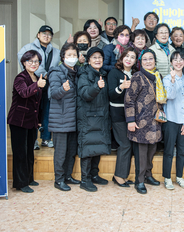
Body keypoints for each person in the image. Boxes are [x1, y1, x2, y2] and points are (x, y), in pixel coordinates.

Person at [125, 49, 165, 194]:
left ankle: (148, 175)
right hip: (140, 122)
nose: (149, 61)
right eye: (145, 59)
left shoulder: (158, 76)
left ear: (155, 61)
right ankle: (139, 180)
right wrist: (130, 120)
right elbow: (129, 100)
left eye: (151, 59)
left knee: (151, 151)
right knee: (141, 154)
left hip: (155, 122)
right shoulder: (137, 76)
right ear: (141, 62)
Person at [7, 50, 46, 193]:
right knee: (20, 152)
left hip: (31, 121)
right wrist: (37, 86)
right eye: (30, 61)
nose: (33, 64)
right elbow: (24, 93)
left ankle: (29, 178)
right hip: (18, 120)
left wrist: (39, 120)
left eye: (36, 61)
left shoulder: (37, 77)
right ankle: (20, 183)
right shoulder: (20, 78)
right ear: (24, 63)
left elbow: (38, 102)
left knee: (29, 150)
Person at [17, 25, 60, 150]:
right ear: (38, 35)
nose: (47, 36)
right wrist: (43, 74)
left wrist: (50, 76)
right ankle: (33, 140)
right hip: (33, 84)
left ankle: (46, 138)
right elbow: (25, 62)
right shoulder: (28, 48)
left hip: (49, 85)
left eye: (49, 34)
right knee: (32, 112)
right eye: (44, 34)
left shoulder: (56, 51)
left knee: (47, 111)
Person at [77, 47, 111, 192]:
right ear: (89, 60)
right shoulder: (84, 75)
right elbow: (85, 94)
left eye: (100, 57)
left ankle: (94, 175)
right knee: (88, 147)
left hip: (101, 116)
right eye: (94, 57)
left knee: (98, 146)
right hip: (88, 117)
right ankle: (85, 180)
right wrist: (96, 87)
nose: (98, 60)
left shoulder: (102, 73)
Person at [48, 43, 80, 191]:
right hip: (60, 119)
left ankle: (68, 176)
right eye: (69, 55)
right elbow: (53, 94)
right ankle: (59, 179)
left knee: (71, 151)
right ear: (63, 57)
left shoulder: (77, 72)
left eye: (74, 55)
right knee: (60, 152)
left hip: (73, 119)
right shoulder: (56, 72)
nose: (72, 58)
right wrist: (62, 89)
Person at [162, 51, 184, 190]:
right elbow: (170, 96)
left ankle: (179, 176)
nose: (178, 62)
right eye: (175, 60)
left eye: (181, 59)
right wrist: (173, 80)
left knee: (182, 151)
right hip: (170, 120)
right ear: (171, 63)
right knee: (168, 150)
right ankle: (167, 178)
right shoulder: (166, 79)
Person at [108, 48, 138, 188]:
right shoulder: (114, 73)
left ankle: (123, 175)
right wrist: (121, 87)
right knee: (124, 144)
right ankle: (118, 176)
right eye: (127, 56)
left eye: (132, 57)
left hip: (132, 114)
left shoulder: (135, 74)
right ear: (122, 57)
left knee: (129, 145)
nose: (129, 59)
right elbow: (111, 94)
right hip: (118, 113)